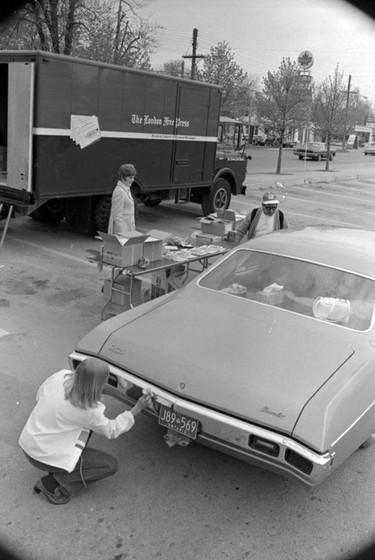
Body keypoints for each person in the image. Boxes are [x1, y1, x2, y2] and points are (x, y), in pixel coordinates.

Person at [19, 358, 153, 505]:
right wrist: (137, 408)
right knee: (109, 465)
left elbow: (40, 396)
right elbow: (112, 430)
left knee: (86, 427)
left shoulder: (60, 376)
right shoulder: (88, 409)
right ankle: (51, 483)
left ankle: (61, 466)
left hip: (29, 441)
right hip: (42, 455)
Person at [108, 163, 137, 235]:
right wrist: (121, 235)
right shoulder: (119, 191)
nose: (133, 180)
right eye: (130, 178)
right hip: (122, 232)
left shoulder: (126, 188)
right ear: (122, 177)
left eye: (133, 177)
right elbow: (117, 216)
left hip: (129, 230)